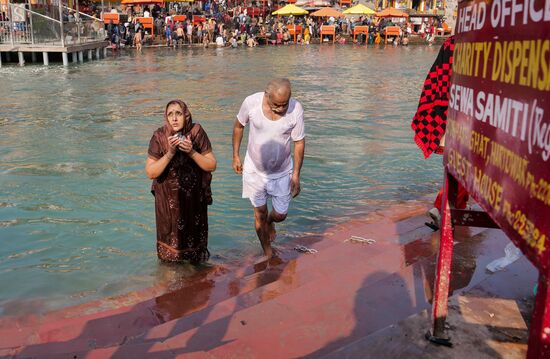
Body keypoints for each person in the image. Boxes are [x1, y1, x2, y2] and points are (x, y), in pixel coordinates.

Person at [232, 79, 305, 260]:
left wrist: (296, 175)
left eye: (284, 104)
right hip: (254, 171)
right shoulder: (251, 103)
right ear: (266, 95)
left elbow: (299, 142)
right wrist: (235, 155)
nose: (281, 109)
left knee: (280, 214)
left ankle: (271, 222)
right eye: (276, 105)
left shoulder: (296, 109)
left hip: (282, 172)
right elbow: (239, 126)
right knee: (260, 214)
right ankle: (267, 252)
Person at [146, 100, 217, 263]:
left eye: (178, 113)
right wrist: (170, 153)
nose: (174, 118)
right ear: (166, 118)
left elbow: (211, 165)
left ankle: (194, 281)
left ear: (186, 115)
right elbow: (150, 172)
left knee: (195, 258)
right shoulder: (159, 136)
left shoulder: (196, 132)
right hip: (167, 203)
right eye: (170, 114)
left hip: (194, 202)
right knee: (169, 258)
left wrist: (191, 152)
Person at [411, 36, 469, 230]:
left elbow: (437, 79)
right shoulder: (490, 43)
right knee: (466, 169)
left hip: (450, 111)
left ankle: (447, 208)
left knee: (460, 168)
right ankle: (444, 208)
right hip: (475, 114)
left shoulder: (452, 42)